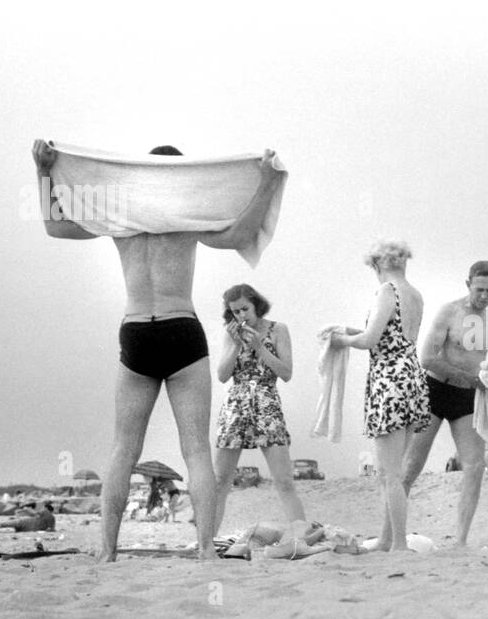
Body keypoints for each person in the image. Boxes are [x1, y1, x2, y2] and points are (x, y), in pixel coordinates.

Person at [32, 139, 286, 561]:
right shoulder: (184, 218)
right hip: (181, 330)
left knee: (122, 450)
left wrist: (42, 170)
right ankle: (206, 549)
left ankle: (108, 552)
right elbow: (241, 233)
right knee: (197, 451)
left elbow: (55, 225)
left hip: (136, 333)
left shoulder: (119, 218)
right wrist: (266, 181)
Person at [395, 260, 488, 547]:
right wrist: (466, 377)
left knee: (474, 467)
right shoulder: (450, 312)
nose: (484, 296)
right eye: (479, 289)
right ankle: (393, 536)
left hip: (468, 397)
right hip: (435, 390)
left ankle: (460, 542)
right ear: (468, 285)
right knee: (410, 467)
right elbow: (427, 358)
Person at [326, 240, 431, 552]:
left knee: (389, 474)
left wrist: (340, 341)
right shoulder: (415, 295)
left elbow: (371, 339)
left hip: (389, 381)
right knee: (394, 471)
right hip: (412, 378)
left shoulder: (386, 290)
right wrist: (348, 331)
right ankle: (387, 539)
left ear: (378, 265)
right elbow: (390, 334)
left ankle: (398, 544)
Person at [210, 284, 307, 535]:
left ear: (256, 305)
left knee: (284, 480)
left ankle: (301, 537)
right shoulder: (230, 334)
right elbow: (222, 376)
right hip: (236, 403)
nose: (241, 315)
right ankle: (207, 541)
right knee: (220, 481)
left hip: (266, 400)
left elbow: (286, 373)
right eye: (235, 312)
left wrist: (259, 348)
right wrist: (234, 345)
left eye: (245, 309)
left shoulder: (278, 330)